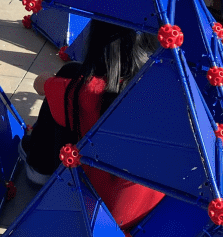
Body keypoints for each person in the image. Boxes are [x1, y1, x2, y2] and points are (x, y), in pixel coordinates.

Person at [20, 22, 164, 233]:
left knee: (66, 81)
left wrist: (52, 81)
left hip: (97, 210)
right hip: (148, 208)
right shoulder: (164, 92)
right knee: (70, 76)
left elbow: (39, 84)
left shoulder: (83, 91)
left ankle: (38, 168)